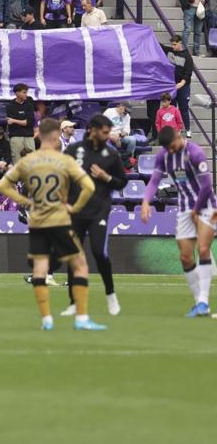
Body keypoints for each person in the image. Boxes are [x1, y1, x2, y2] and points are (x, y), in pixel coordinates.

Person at [0, 117, 104, 331]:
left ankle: (46, 319)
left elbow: (3, 186)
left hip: (37, 221)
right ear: (55, 137)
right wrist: (75, 207)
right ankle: (81, 318)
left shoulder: (28, 161)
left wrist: (26, 202)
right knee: (80, 264)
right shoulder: (64, 161)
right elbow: (89, 187)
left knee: (40, 268)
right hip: (60, 219)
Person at [140, 126, 215, 317]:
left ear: (179, 136)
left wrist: (197, 210)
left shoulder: (195, 153)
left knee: (204, 249)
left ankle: (204, 302)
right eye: (169, 148)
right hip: (184, 208)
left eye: (173, 146)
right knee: (185, 257)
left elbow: (207, 185)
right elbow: (155, 181)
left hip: (206, 206)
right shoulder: (164, 155)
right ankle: (199, 301)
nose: (172, 150)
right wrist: (146, 201)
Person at [60, 114, 127, 318]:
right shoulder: (73, 151)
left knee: (98, 252)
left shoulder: (111, 154)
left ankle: (110, 294)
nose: (108, 136)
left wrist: (105, 177)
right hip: (75, 210)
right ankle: (73, 301)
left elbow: (122, 181)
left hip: (99, 209)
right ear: (93, 130)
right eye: (105, 132)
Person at [6, 83, 36, 161]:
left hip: (29, 135)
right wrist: (22, 121)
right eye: (24, 92)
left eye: (26, 92)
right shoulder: (10, 105)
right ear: (17, 93)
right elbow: (9, 121)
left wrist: (14, 120)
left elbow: (29, 122)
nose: (26, 94)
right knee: (17, 157)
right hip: (15, 135)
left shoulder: (29, 101)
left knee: (32, 158)